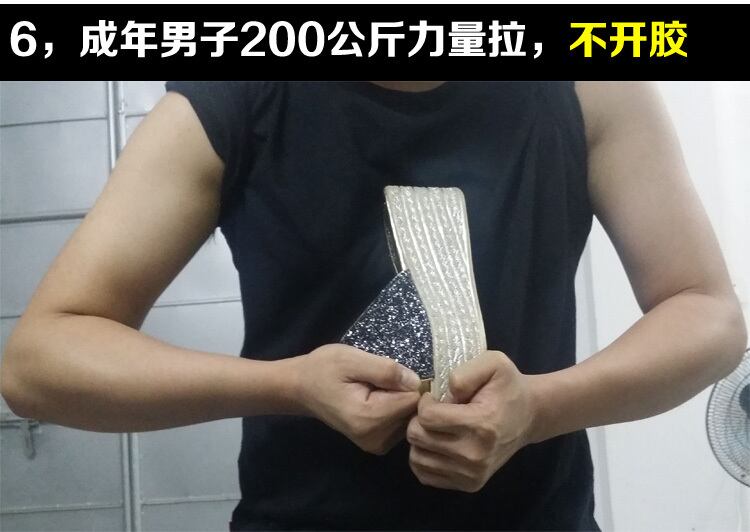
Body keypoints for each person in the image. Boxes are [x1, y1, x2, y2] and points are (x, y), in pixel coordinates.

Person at [1, 81, 746, 531]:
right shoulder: (235, 95)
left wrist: (542, 409)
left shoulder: (588, 85)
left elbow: (708, 314)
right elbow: (40, 362)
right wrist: (289, 385)